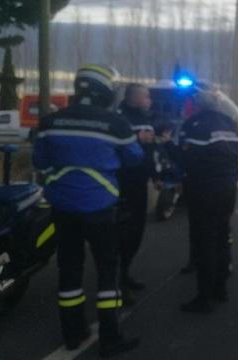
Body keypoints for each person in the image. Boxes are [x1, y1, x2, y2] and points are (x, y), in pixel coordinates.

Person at [32, 64, 142, 357]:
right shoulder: (115, 123)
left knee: (69, 270)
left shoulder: (50, 122)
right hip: (100, 208)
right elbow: (134, 158)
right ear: (105, 91)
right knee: (107, 270)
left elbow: (40, 162)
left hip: (63, 207)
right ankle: (110, 338)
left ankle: (73, 334)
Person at [179, 87, 238, 313]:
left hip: (203, 189)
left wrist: (168, 146)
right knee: (222, 235)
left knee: (205, 241)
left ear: (197, 106)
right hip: (227, 188)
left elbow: (186, 159)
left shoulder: (193, 125)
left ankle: (204, 297)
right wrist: (234, 177)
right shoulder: (231, 123)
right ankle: (221, 288)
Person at [117, 84, 157, 305]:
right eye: (147, 96)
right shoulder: (120, 118)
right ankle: (118, 283)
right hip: (124, 184)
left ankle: (125, 274)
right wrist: (136, 138)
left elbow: (150, 150)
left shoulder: (145, 117)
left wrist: (156, 175)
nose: (150, 100)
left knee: (136, 234)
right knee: (123, 236)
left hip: (140, 182)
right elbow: (115, 145)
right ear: (135, 98)